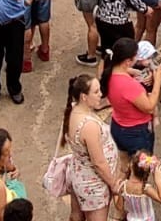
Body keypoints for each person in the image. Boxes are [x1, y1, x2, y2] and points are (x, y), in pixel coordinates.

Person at [60, 74, 121, 221]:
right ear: (83, 97)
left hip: (79, 174)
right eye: (96, 92)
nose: (101, 94)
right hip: (93, 185)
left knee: (76, 216)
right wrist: (113, 185)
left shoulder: (75, 110)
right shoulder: (89, 126)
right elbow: (98, 163)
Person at [104, 36, 161, 160]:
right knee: (141, 170)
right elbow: (149, 107)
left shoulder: (109, 74)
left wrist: (133, 72)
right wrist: (158, 80)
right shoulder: (129, 85)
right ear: (128, 61)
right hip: (135, 132)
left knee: (124, 166)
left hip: (118, 125)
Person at [120, 151, 161, 221]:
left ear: (131, 165)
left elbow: (118, 205)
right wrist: (158, 180)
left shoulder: (123, 186)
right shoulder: (145, 189)